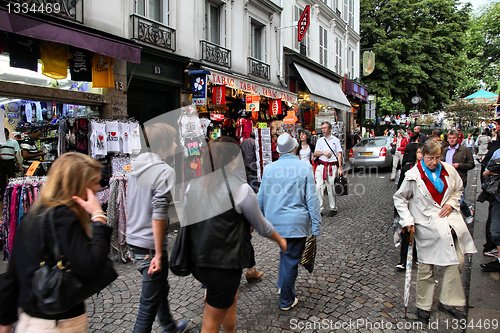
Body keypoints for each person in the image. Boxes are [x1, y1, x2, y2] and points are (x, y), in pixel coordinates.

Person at [0, 152, 116, 331]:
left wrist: (5, 324)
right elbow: (93, 267)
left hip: (29, 322)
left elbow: (12, 276)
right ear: (80, 186)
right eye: (95, 182)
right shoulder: (64, 218)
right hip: (58, 324)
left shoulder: (35, 213)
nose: (99, 188)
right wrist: (98, 217)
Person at [184, 136, 286, 332]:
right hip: (223, 264)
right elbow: (262, 226)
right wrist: (280, 240)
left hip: (199, 258)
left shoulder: (192, 185)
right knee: (211, 322)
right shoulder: (241, 189)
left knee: (230, 299)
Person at [394, 140, 477, 324]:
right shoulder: (413, 175)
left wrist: (451, 203)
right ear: (422, 155)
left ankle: (448, 301)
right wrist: (407, 220)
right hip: (427, 226)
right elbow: (400, 198)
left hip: (448, 224)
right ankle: (423, 306)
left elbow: (458, 189)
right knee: (426, 268)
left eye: (437, 158)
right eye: (431, 158)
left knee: (458, 260)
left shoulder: (448, 169)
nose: (434, 162)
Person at [126, 123, 188, 333]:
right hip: (149, 245)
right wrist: (159, 253)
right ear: (164, 143)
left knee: (160, 287)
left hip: (133, 238)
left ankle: (170, 327)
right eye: (173, 139)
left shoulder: (134, 167)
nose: (176, 143)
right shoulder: (164, 171)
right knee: (147, 307)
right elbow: (159, 212)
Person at [257, 133, 321, 311]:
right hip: (295, 223)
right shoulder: (304, 167)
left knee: (286, 254)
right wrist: (316, 226)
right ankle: (286, 299)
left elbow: (260, 197)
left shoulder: (269, 168)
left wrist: (257, 220)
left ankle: (281, 285)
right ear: (295, 148)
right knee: (291, 258)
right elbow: (312, 199)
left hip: (274, 223)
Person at [394, 146, 422, 270]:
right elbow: (399, 192)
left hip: (423, 208)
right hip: (409, 206)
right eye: (419, 152)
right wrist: (397, 210)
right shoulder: (407, 169)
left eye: (423, 152)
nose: (421, 155)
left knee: (421, 233)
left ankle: (418, 256)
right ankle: (404, 260)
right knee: (407, 233)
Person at [442, 130, 475, 224]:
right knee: (449, 200)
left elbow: (471, 164)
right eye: (450, 138)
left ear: (458, 138)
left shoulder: (465, 150)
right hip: (446, 179)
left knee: (459, 200)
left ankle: (466, 214)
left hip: (460, 179)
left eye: (454, 138)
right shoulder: (445, 150)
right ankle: (452, 221)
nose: (452, 140)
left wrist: (459, 165)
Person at [314, 121, 343, 217]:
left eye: (325, 128)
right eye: (322, 128)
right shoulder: (320, 141)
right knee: (319, 187)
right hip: (321, 165)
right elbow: (315, 153)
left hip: (332, 166)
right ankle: (320, 209)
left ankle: (333, 208)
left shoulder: (335, 140)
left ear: (330, 129)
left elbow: (339, 154)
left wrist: (340, 167)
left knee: (331, 187)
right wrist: (323, 152)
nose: (323, 130)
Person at [480, 145, 500, 272]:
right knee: (496, 231)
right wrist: (491, 173)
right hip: (498, 199)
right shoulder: (498, 152)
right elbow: (485, 173)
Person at [0, 128, 20, 200]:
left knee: (11, 179)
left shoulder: (14, 142)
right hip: (1, 162)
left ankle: (12, 195)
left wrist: (17, 163)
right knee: (1, 179)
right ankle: (3, 196)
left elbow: (17, 153)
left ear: (7, 133)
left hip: (10, 162)